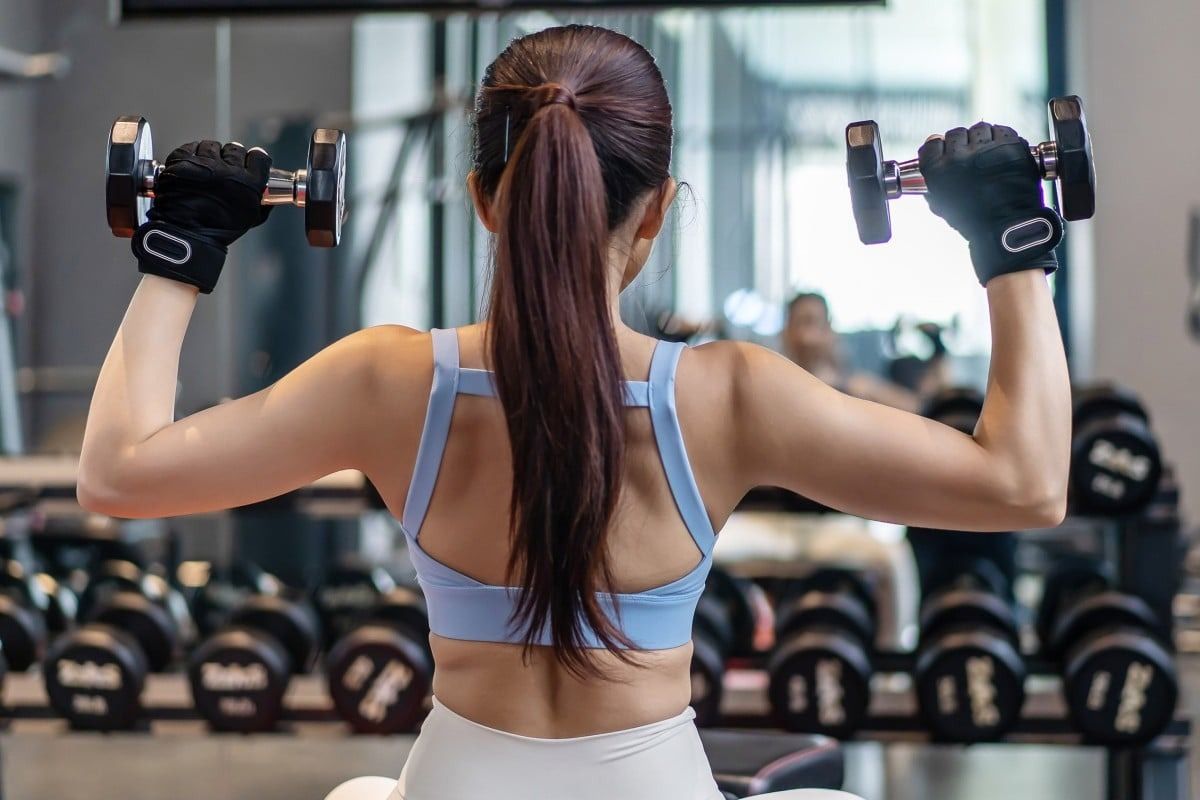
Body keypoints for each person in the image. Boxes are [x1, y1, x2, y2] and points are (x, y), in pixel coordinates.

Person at [78, 24, 1070, 800]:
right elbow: (1026, 484)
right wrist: (1009, 247)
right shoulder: (731, 395)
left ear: (481, 199)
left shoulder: (384, 381)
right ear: (656, 211)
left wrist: (184, 251)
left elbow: (119, 473)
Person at [781, 292, 923, 412]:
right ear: (786, 331)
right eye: (799, 322)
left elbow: (914, 407)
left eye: (812, 322)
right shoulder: (779, 385)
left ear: (829, 330)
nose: (805, 336)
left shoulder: (855, 385)